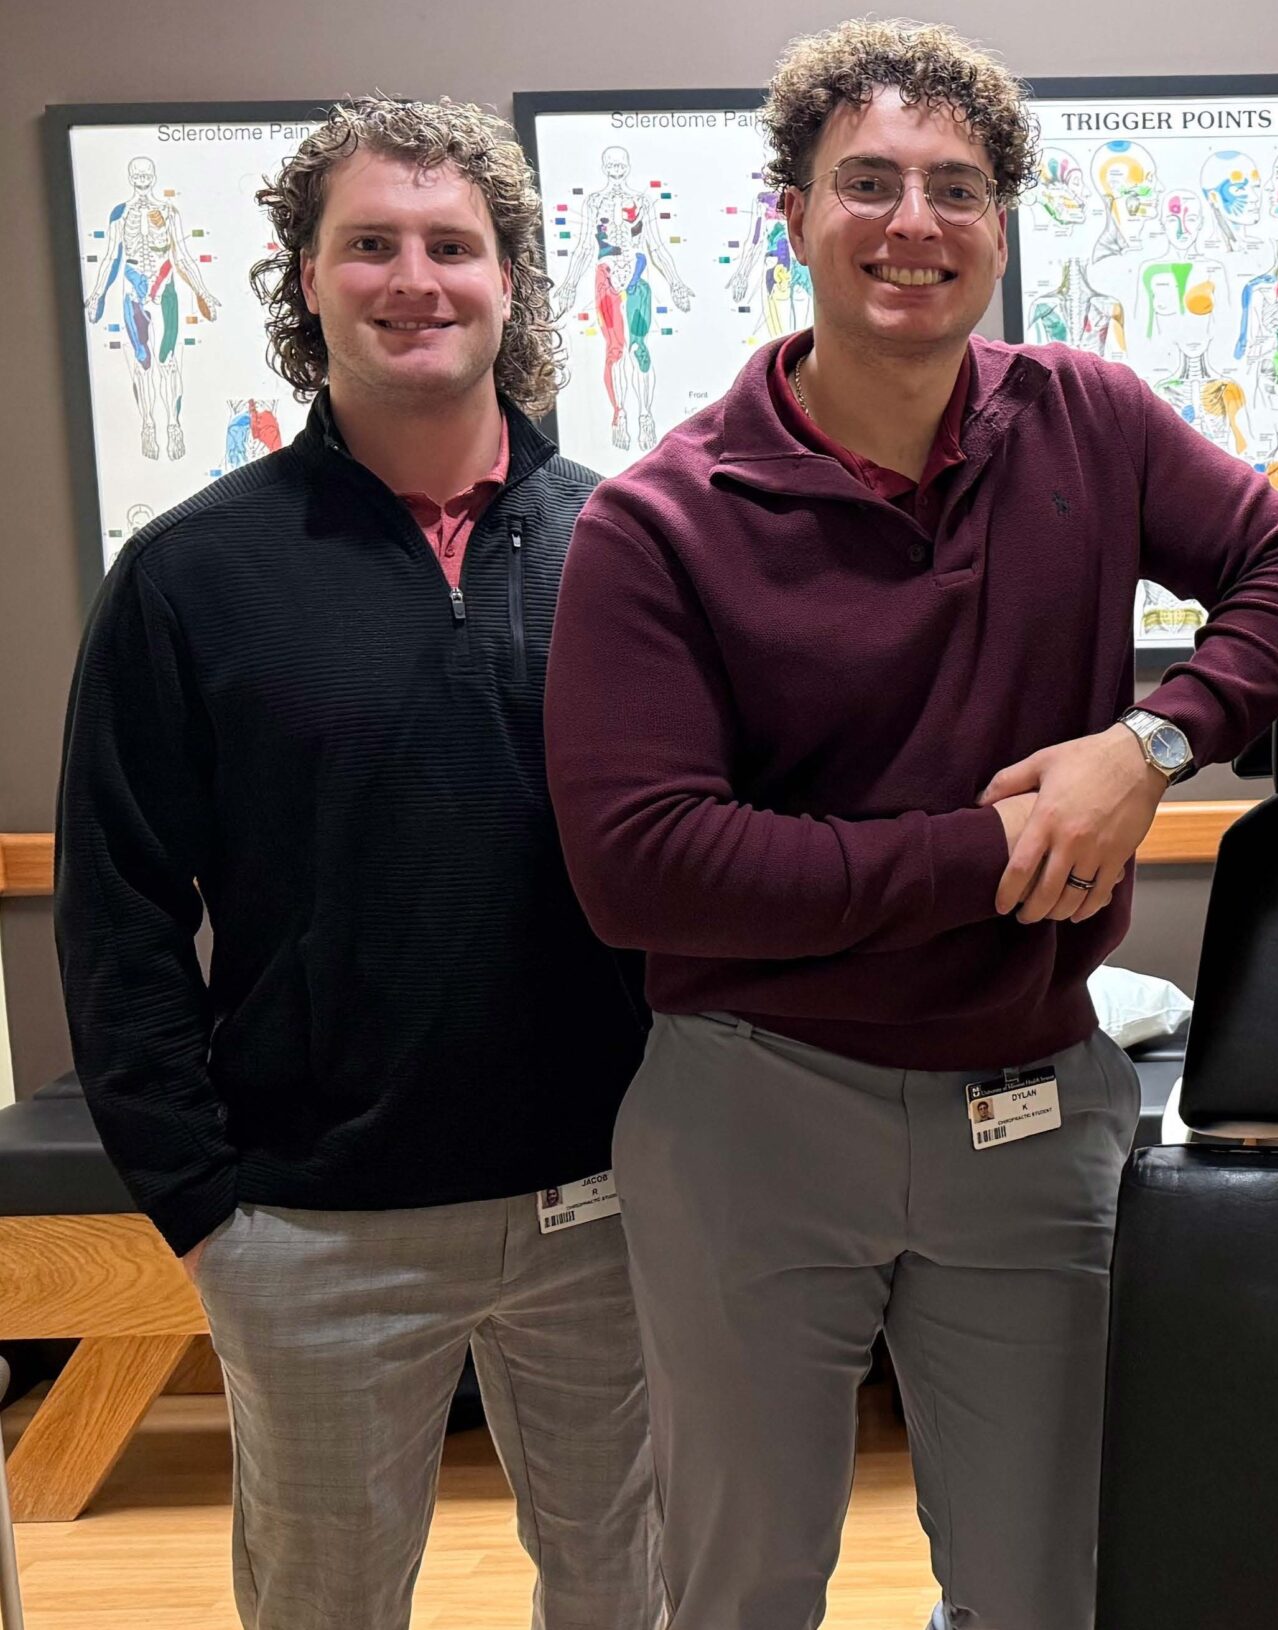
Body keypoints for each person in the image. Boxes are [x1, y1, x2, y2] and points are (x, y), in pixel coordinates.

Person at [541, 20, 1278, 1630]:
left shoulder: (1089, 420)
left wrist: (1152, 739)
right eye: (868, 182)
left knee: (1045, 1585)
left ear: (1000, 224)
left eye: (958, 189)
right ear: (793, 215)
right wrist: (987, 855)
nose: (914, 221)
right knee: (741, 1585)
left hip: (1032, 1103)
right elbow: (642, 863)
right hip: (749, 1120)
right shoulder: (659, 519)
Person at [54, 97, 657, 1630]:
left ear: (510, 281)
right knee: (324, 1607)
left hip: (612, 1208)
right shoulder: (190, 576)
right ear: (305, 280)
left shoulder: (632, 549)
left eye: (453, 245)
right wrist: (204, 1207)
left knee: (630, 1596)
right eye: (369, 244)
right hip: (313, 1230)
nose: (415, 277)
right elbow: (119, 909)